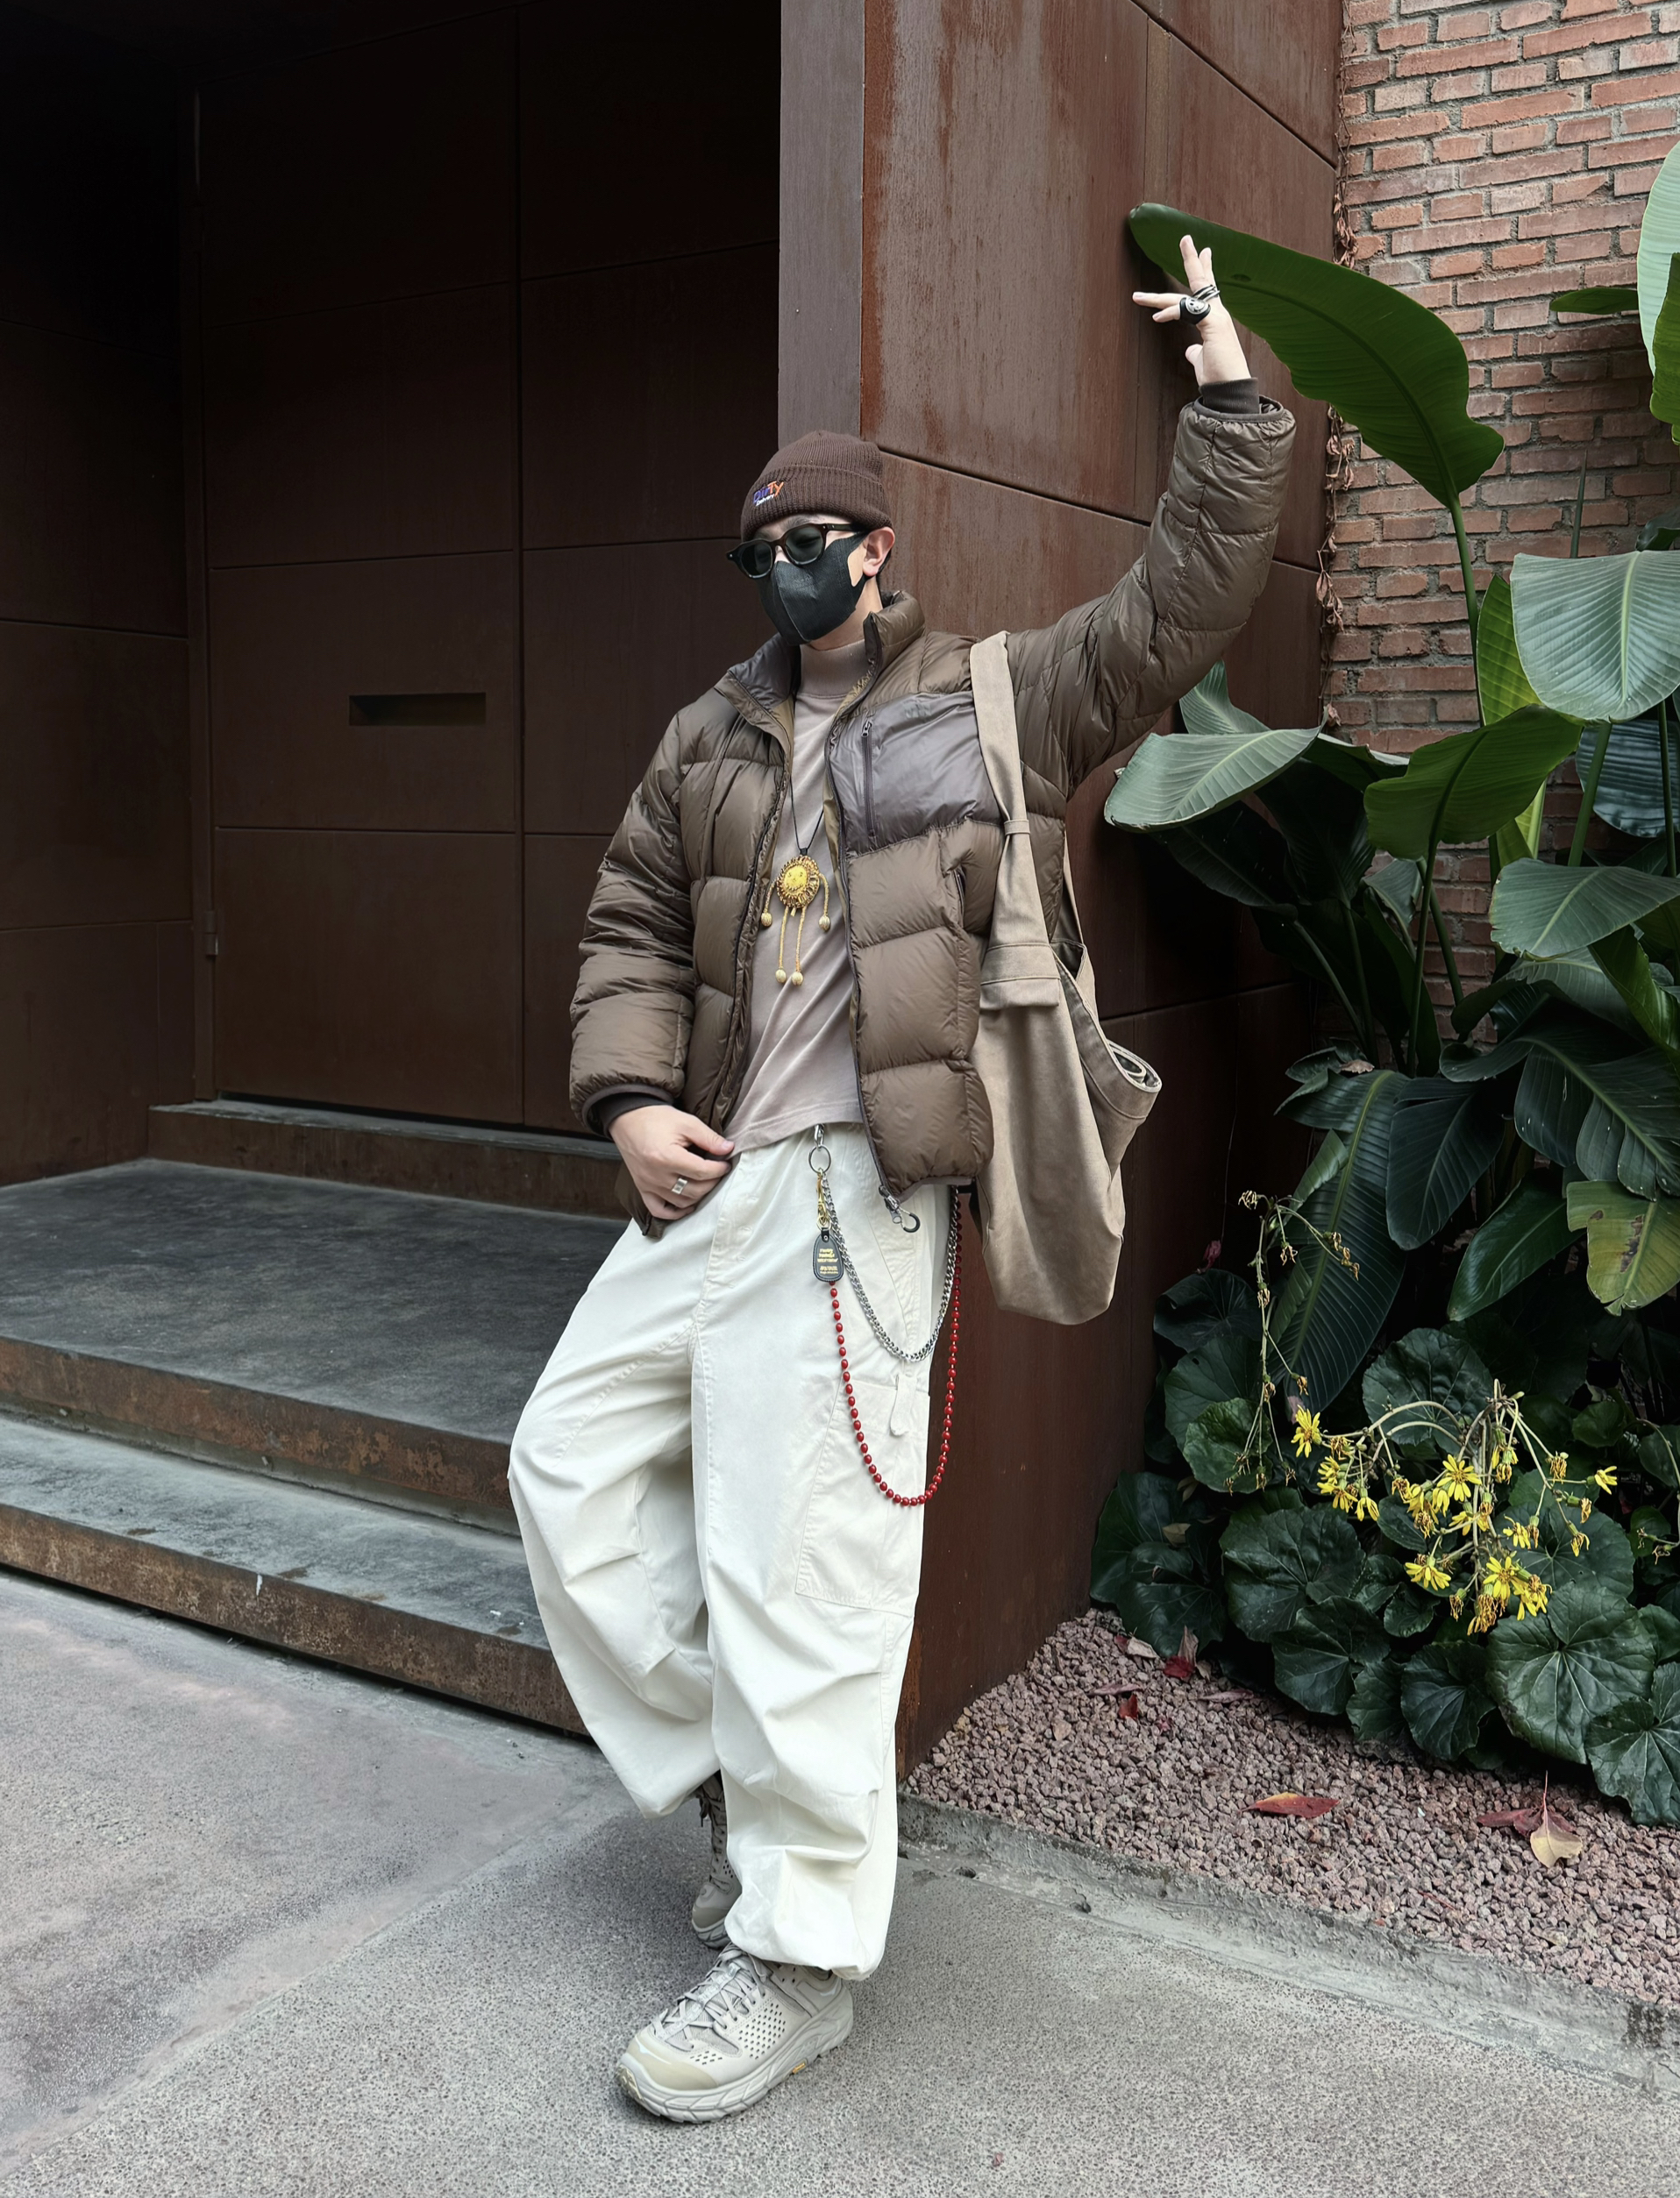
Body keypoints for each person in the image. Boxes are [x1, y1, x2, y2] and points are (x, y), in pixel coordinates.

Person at [509, 237, 1294, 2123]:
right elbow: (630, 921)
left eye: (813, 544)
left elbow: (1180, 604)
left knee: (808, 1577)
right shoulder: (709, 734)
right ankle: (774, 1793)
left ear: (873, 551)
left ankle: (797, 1954)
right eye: (762, 552)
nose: (788, 572)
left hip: (863, 1204)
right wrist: (625, 1103)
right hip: (707, 1180)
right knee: (566, 1473)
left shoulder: (996, 699)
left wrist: (1229, 394)